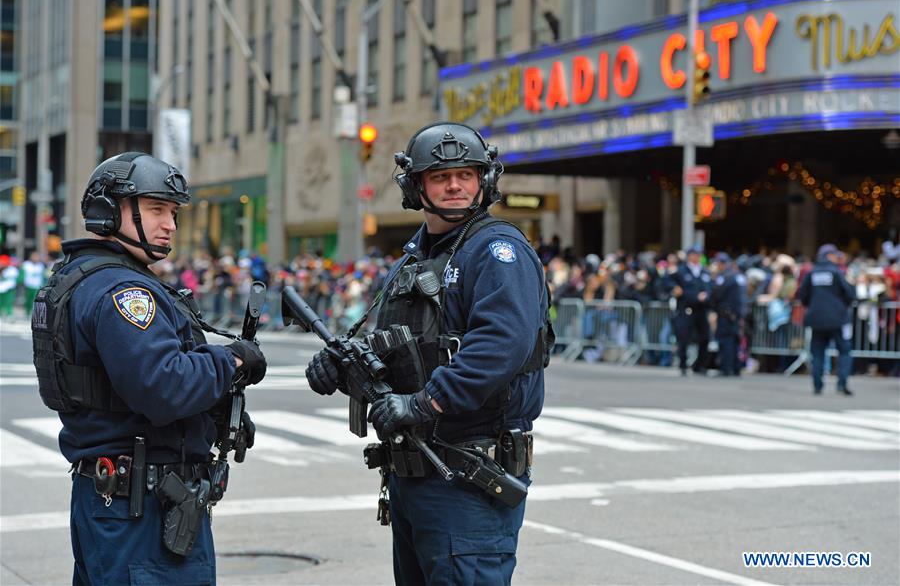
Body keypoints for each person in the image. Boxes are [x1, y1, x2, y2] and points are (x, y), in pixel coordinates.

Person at [306, 122, 551, 584]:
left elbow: (503, 344)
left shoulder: (497, 250)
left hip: (467, 477)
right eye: (440, 177)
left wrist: (425, 403)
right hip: (415, 474)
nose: (455, 185)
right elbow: (402, 347)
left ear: (485, 181)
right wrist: (343, 365)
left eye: (466, 174)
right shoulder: (416, 259)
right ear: (416, 187)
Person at [31, 152, 267, 584]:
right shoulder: (124, 292)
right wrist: (231, 360)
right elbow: (163, 388)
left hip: (114, 501)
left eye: (173, 213)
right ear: (109, 210)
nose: (170, 225)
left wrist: (212, 413)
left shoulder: (83, 277)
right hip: (142, 510)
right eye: (156, 209)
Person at [796, 243, 856, 395]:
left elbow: (803, 295)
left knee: (817, 352)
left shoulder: (812, 272)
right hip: (837, 318)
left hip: (816, 318)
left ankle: (817, 385)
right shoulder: (837, 272)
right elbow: (850, 294)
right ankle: (841, 384)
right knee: (844, 350)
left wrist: (814, 306)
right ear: (829, 256)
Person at [667, 246, 712, 376]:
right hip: (686, 308)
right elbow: (668, 282)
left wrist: (706, 296)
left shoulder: (704, 271)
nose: (697, 257)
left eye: (698, 254)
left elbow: (709, 288)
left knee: (705, 337)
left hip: (701, 309)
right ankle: (683, 364)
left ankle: (699, 365)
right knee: (684, 337)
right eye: (695, 254)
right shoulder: (681, 271)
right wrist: (675, 289)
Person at [710, 253, 747, 377]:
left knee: (726, 341)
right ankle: (736, 367)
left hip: (726, 314)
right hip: (737, 314)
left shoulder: (725, 277)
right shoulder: (739, 276)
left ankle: (727, 367)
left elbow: (716, 294)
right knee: (735, 340)